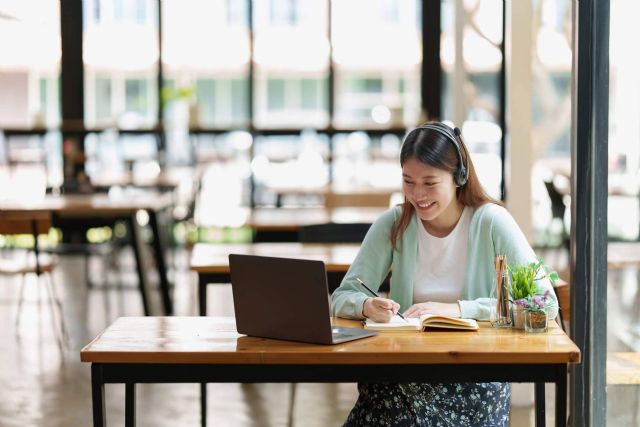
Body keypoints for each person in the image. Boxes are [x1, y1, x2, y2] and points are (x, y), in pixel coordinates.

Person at [331, 121, 558, 427]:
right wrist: (365, 305)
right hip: (405, 368)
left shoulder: (492, 222)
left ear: (458, 177)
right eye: (408, 181)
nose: (417, 194)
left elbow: (545, 303)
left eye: (429, 182)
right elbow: (343, 296)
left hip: (476, 376)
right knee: (385, 400)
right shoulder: (394, 223)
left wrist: (459, 310)